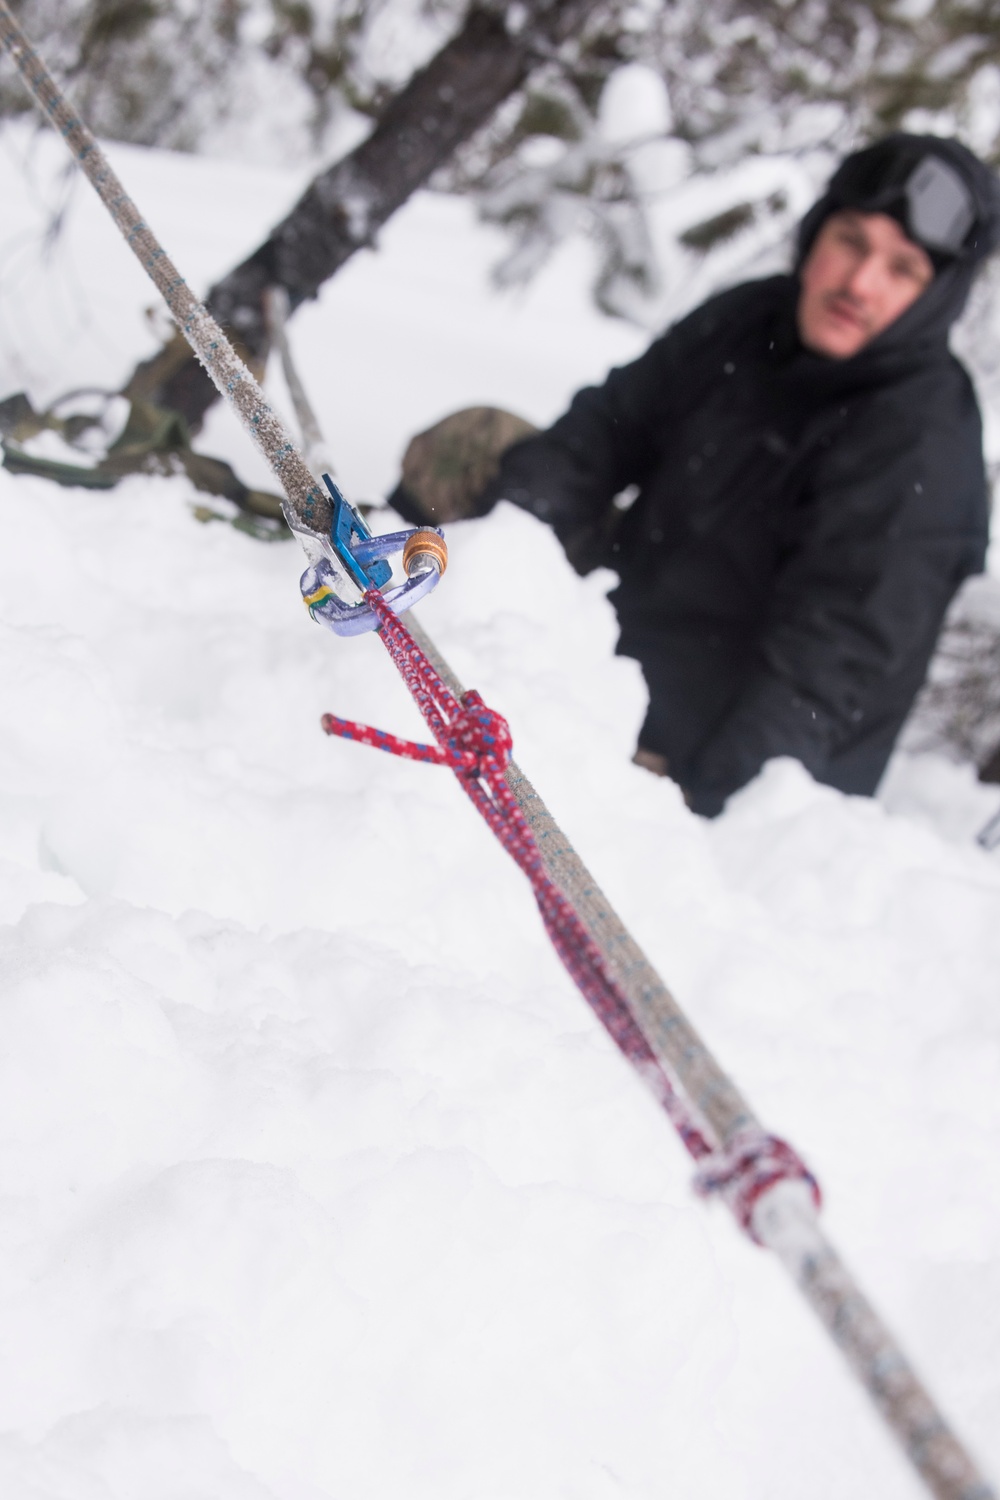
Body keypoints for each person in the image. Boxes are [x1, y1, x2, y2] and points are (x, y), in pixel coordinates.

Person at [391, 135, 1000, 815]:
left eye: (902, 269)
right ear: (817, 230)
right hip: (625, 626)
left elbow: (824, 677)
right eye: (851, 242)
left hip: (714, 746)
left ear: (937, 296)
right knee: (478, 442)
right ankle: (403, 608)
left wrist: (694, 815)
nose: (860, 283)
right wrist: (501, 558)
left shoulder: (921, 443)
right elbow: (602, 432)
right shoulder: (751, 320)